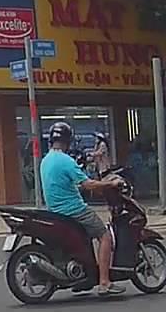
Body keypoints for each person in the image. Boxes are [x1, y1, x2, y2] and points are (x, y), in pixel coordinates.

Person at [40, 121, 124, 296]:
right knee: (104, 235)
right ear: (68, 140)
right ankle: (104, 282)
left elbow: (60, 184)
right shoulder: (66, 161)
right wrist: (110, 184)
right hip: (74, 210)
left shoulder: (45, 160)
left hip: (55, 211)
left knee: (86, 237)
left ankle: (86, 276)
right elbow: (89, 184)